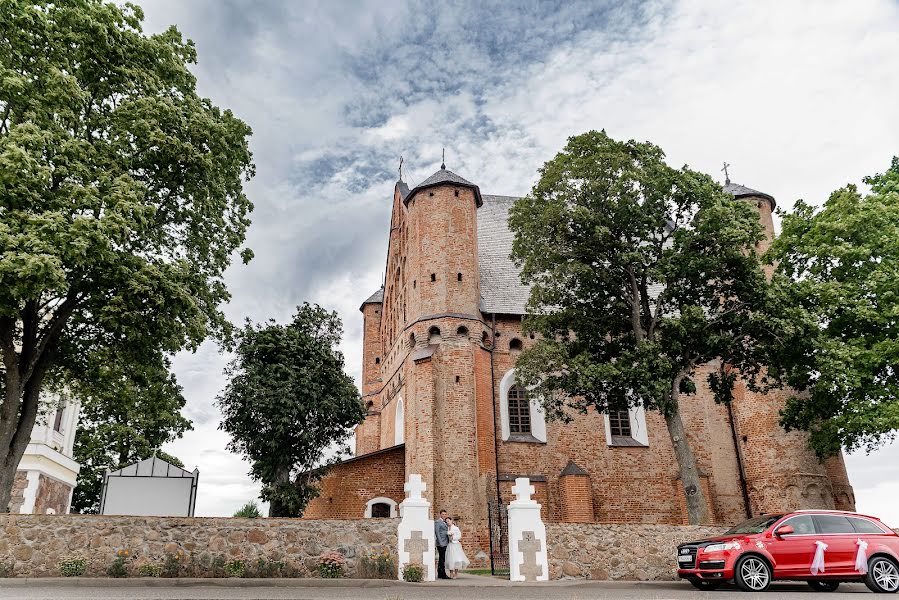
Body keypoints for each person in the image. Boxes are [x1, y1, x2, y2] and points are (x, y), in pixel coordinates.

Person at [434, 509, 450, 579]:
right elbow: (437, 533)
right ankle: (443, 574)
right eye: (443, 514)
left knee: (442, 558)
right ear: (440, 514)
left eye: (445, 514)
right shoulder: (438, 522)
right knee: (442, 559)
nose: (444, 516)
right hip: (441, 543)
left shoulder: (445, 522)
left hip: (446, 542)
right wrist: (441, 543)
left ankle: (440, 573)